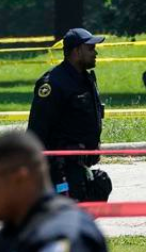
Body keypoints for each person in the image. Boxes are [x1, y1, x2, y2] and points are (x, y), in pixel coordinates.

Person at [27, 27, 111, 202]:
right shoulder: (53, 83)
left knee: (101, 185)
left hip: (80, 164)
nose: (95, 53)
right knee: (68, 215)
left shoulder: (85, 79)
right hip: (60, 168)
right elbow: (37, 129)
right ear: (76, 51)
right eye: (90, 48)